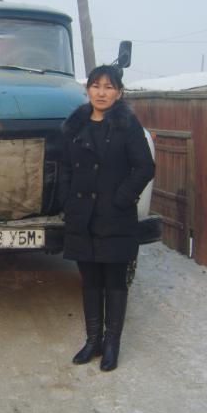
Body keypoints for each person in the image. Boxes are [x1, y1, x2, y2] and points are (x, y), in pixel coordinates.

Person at [61, 65, 155, 371]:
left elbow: (145, 167)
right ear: (87, 89)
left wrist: (121, 198)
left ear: (119, 92)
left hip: (115, 217)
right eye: (96, 86)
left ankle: (112, 344)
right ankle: (93, 341)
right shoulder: (75, 125)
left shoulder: (128, 126)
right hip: (82, 218)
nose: (101, 93)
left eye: (109, 87)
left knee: (114, 281)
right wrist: (67, 200)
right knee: (90, 281)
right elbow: (64, 167)